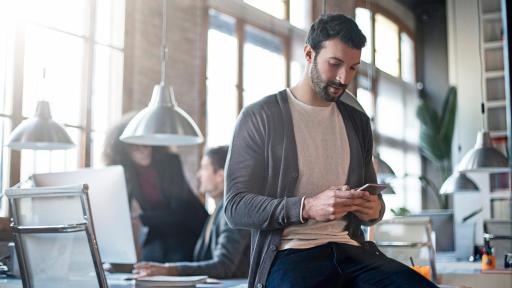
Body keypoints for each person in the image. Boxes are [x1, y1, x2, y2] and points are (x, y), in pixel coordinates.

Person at [224, 14, 439, 288]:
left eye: (352, 68)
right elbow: (235, 207)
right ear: (309, 53)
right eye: (335, 64)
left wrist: (373, 208)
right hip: (291, 255)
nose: (343, 78)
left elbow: (374, 205)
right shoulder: (260, 116)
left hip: (352, 252)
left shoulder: (357, 121)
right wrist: (308, 207)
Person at [103, 113, 208, 263]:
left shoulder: (171, 162)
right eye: (135, 147)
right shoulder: (126, 171)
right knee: (146, 267)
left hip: (187, 228)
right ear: (123, 149)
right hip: (157, 230)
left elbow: (180, 211)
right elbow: (122, 208)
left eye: (146, 144)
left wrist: (141, 218)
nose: (144, 151)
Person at [133, 146, 250, 279]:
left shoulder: (233, 212)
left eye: (204, 168)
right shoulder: (218, 210)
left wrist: (169, 270)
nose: (198, 174)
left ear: (220, 175)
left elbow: (224, 266)